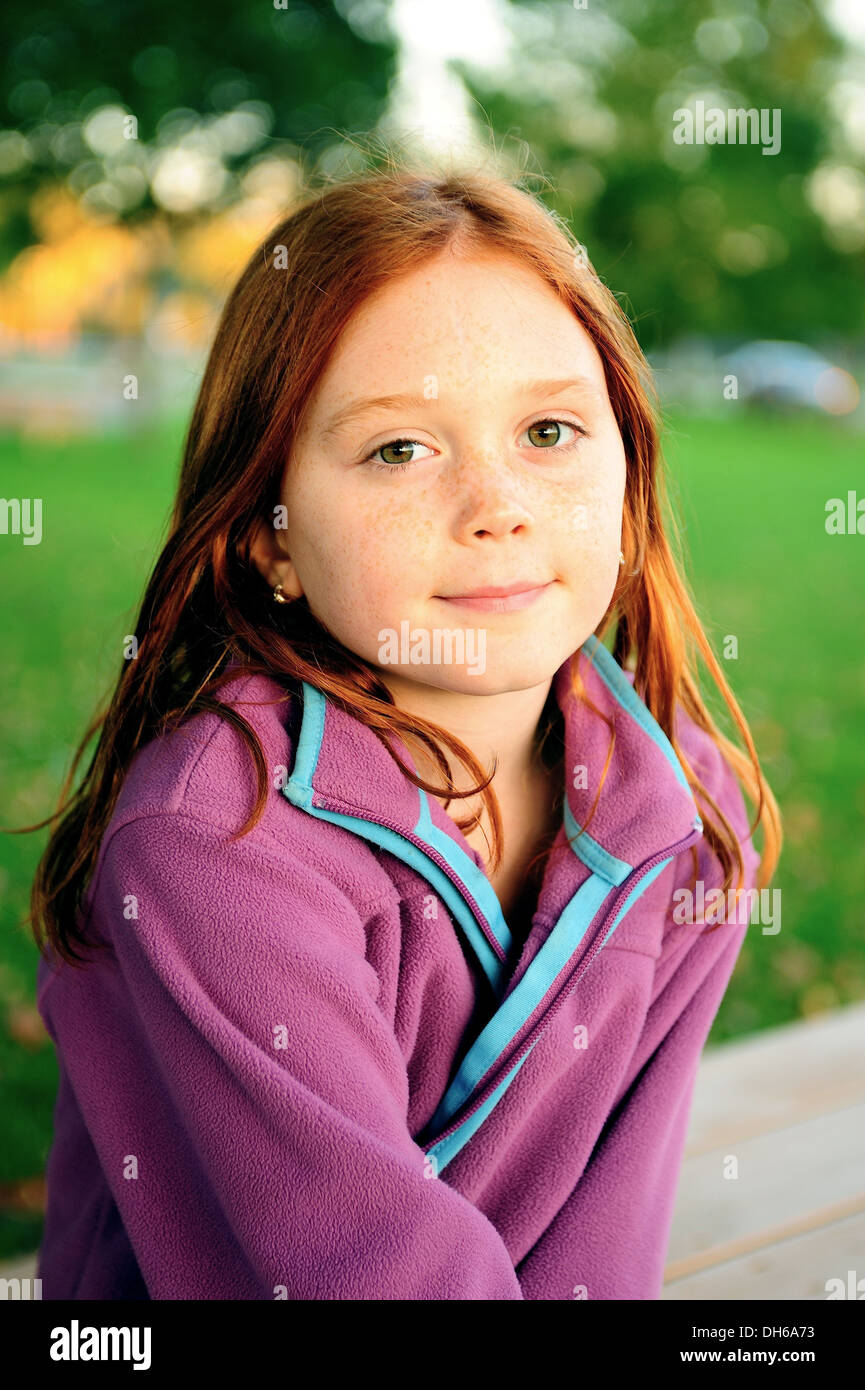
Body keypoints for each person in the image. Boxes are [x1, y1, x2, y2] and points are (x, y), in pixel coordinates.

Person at [24, 159, 781, 1300]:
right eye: (398, 450)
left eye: (550, 429)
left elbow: (608, 1240)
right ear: (268, 536)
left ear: (628, 468)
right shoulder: (215, 845)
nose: (496, 505)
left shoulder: (693, 813)